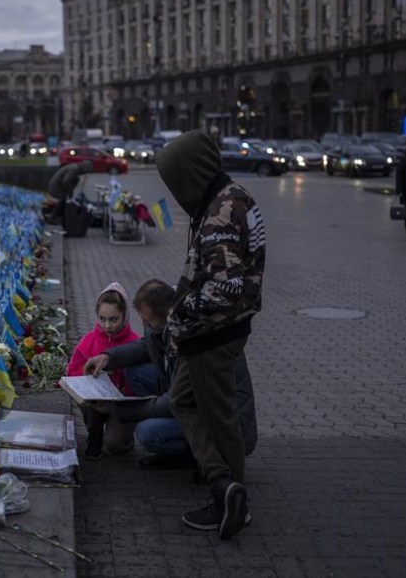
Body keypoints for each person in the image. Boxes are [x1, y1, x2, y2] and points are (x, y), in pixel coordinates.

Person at [154, 128, 266, 540]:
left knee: (220, 419)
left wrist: (179, 313)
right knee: (184, 402)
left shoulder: (221, 212)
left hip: (213, 333)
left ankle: (233, 502)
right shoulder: (228, 197)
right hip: (214, 330)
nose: (175, 189)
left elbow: (224, 286)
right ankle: (222, 482)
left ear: (192, 172)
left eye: (176, 179)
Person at [83, 279, 257, 471]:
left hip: (221, 423)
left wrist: (120, 410)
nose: (144, 325)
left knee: (147, 432)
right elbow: (147, 345)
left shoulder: (191, 334)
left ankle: (203, 457)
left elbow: (174, 400)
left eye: (148, 321)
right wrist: (108, 357)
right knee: (134, 371)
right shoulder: (171, 317)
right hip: (194, 402)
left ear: (166, 315)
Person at [66, 282, 140, 460]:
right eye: (103, 319)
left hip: (120, 404)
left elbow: (138, 382)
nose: (107, 325)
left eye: (113, 319)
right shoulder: (90, 339)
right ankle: (95, 433)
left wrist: (121, 390)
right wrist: (87, 380)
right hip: (96, 402)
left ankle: (124, 439)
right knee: (89, 401)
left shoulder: (135, 342)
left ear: (125, 315)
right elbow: (73, 370)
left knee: (115, 446)